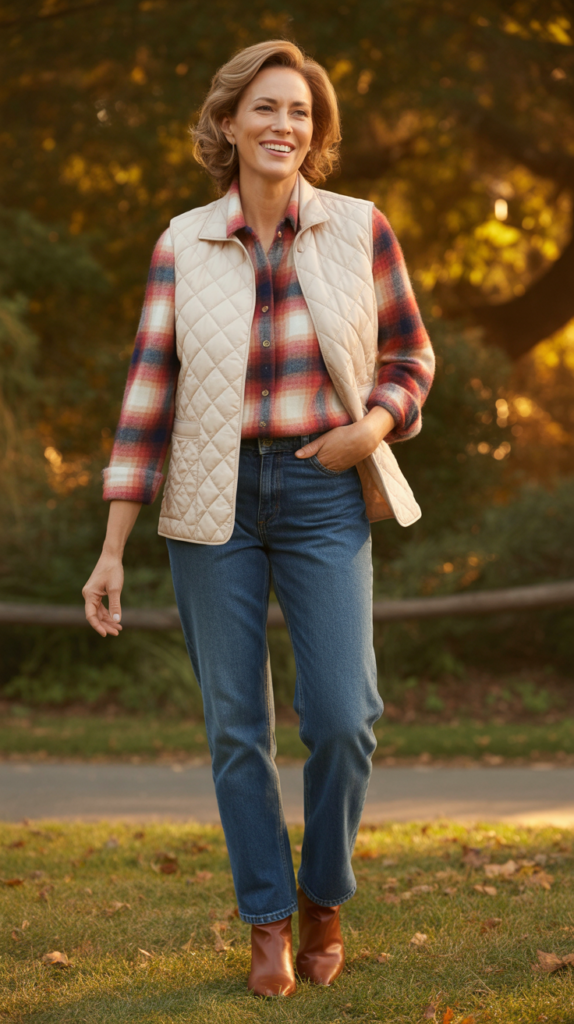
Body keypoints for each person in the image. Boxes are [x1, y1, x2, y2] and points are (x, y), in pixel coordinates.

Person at [82, 39, 435, 997]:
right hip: (211, 497)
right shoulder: (182, 241)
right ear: (229, 122)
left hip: (326, 487)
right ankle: (269, 921)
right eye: (268, 109)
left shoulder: (362, 227)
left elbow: (411, 361)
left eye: (302, 114)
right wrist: (112, 547)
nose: (287, 127)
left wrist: (371, 429)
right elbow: (147, 398)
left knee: (344, 717)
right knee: (238, 728)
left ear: (313, 135)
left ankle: (325, 894)